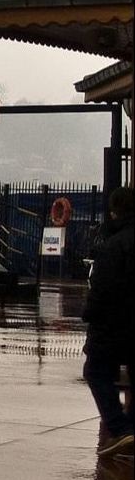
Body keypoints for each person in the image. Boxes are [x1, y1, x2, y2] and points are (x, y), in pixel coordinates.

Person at [82, 185, 133, 459]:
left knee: (96, 370)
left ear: (114, 211)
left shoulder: (112, 246)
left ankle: (121, 428)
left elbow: (101, 288)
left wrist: (88, 314)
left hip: (115, 323)